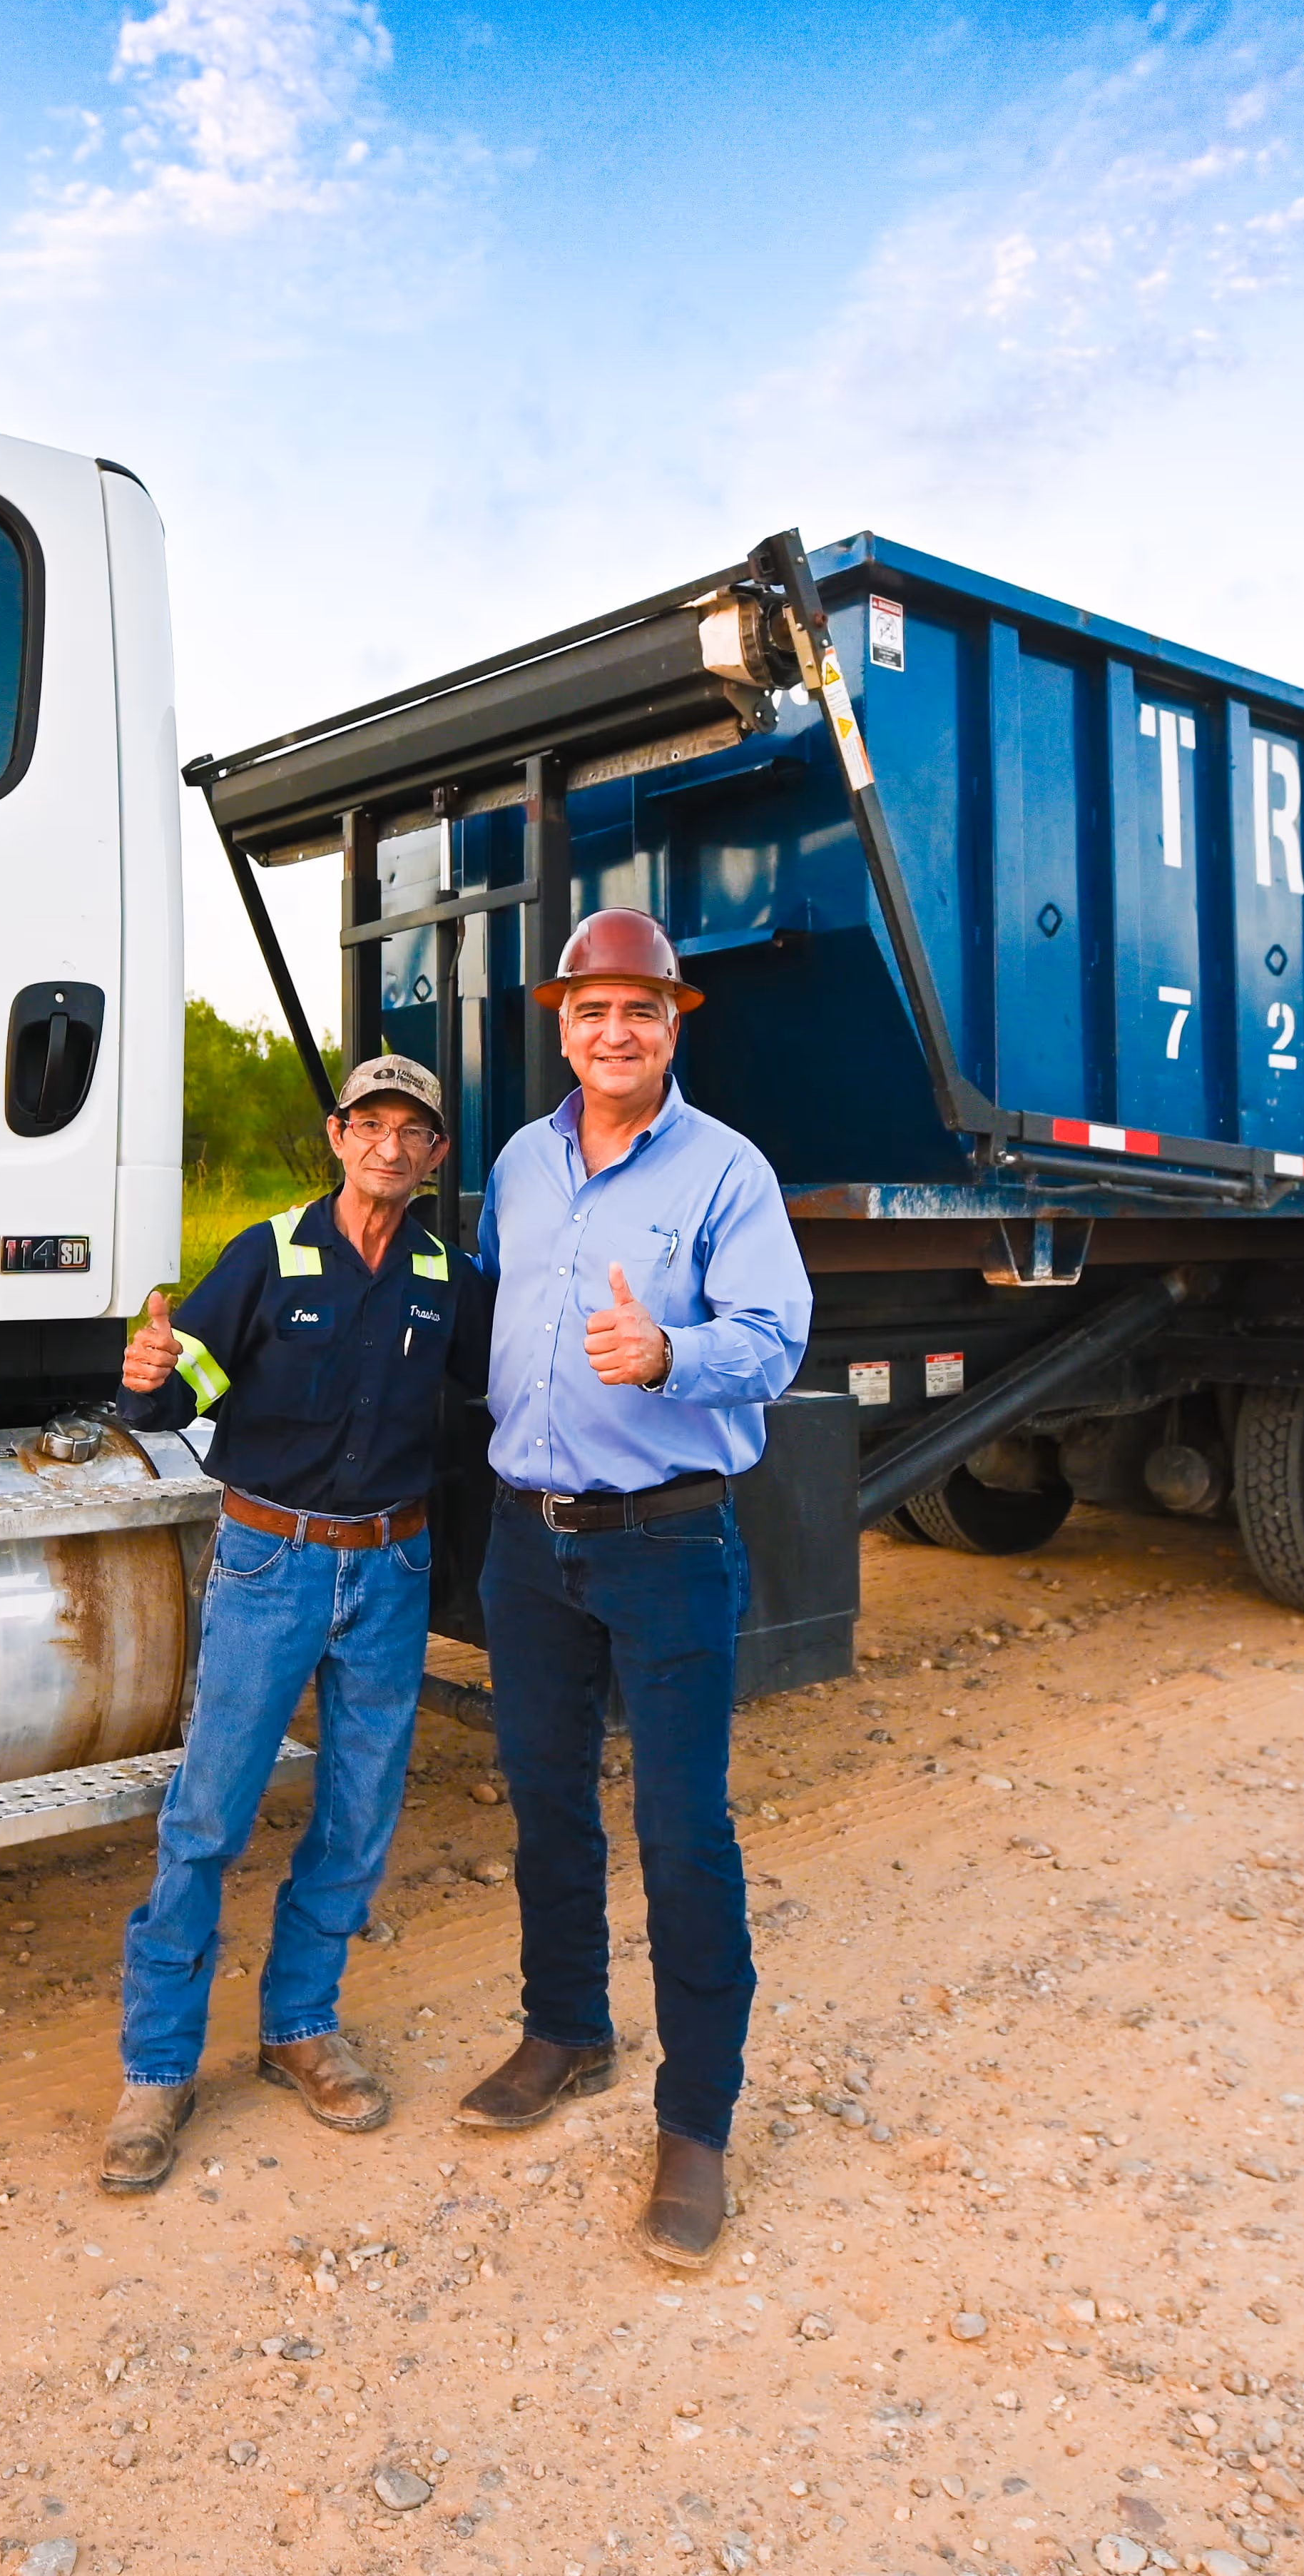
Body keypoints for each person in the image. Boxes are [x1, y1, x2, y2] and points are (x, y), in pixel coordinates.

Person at [453, 907, 812, 2268]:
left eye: (642, 1013)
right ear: (563, 1025)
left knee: (682, 1834)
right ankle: (564, 2032)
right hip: (526, 1538)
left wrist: (666, 1354)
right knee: (546, 1804)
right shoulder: (520, 1165)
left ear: (674, 1029)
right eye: (594, 1011)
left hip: (665, 1542)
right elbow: (495, 1305)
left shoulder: (728, 1173)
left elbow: (775, 1337)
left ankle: (698, 2125)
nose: (616, 1032)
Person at [97, 1052, 485, 2193]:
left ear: (434, 1156)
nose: (390, 1145)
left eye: (414, 1131)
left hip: (392, 1568)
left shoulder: (443, 1273)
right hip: (272, 1563)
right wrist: (150, 1376)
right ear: (337, 1134)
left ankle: (300, 2029)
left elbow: (505, 1384)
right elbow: (185, 1385)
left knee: (359, 1812)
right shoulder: (271, 1254)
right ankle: (158, 2069)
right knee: (209, 1816)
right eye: (371, 1123)